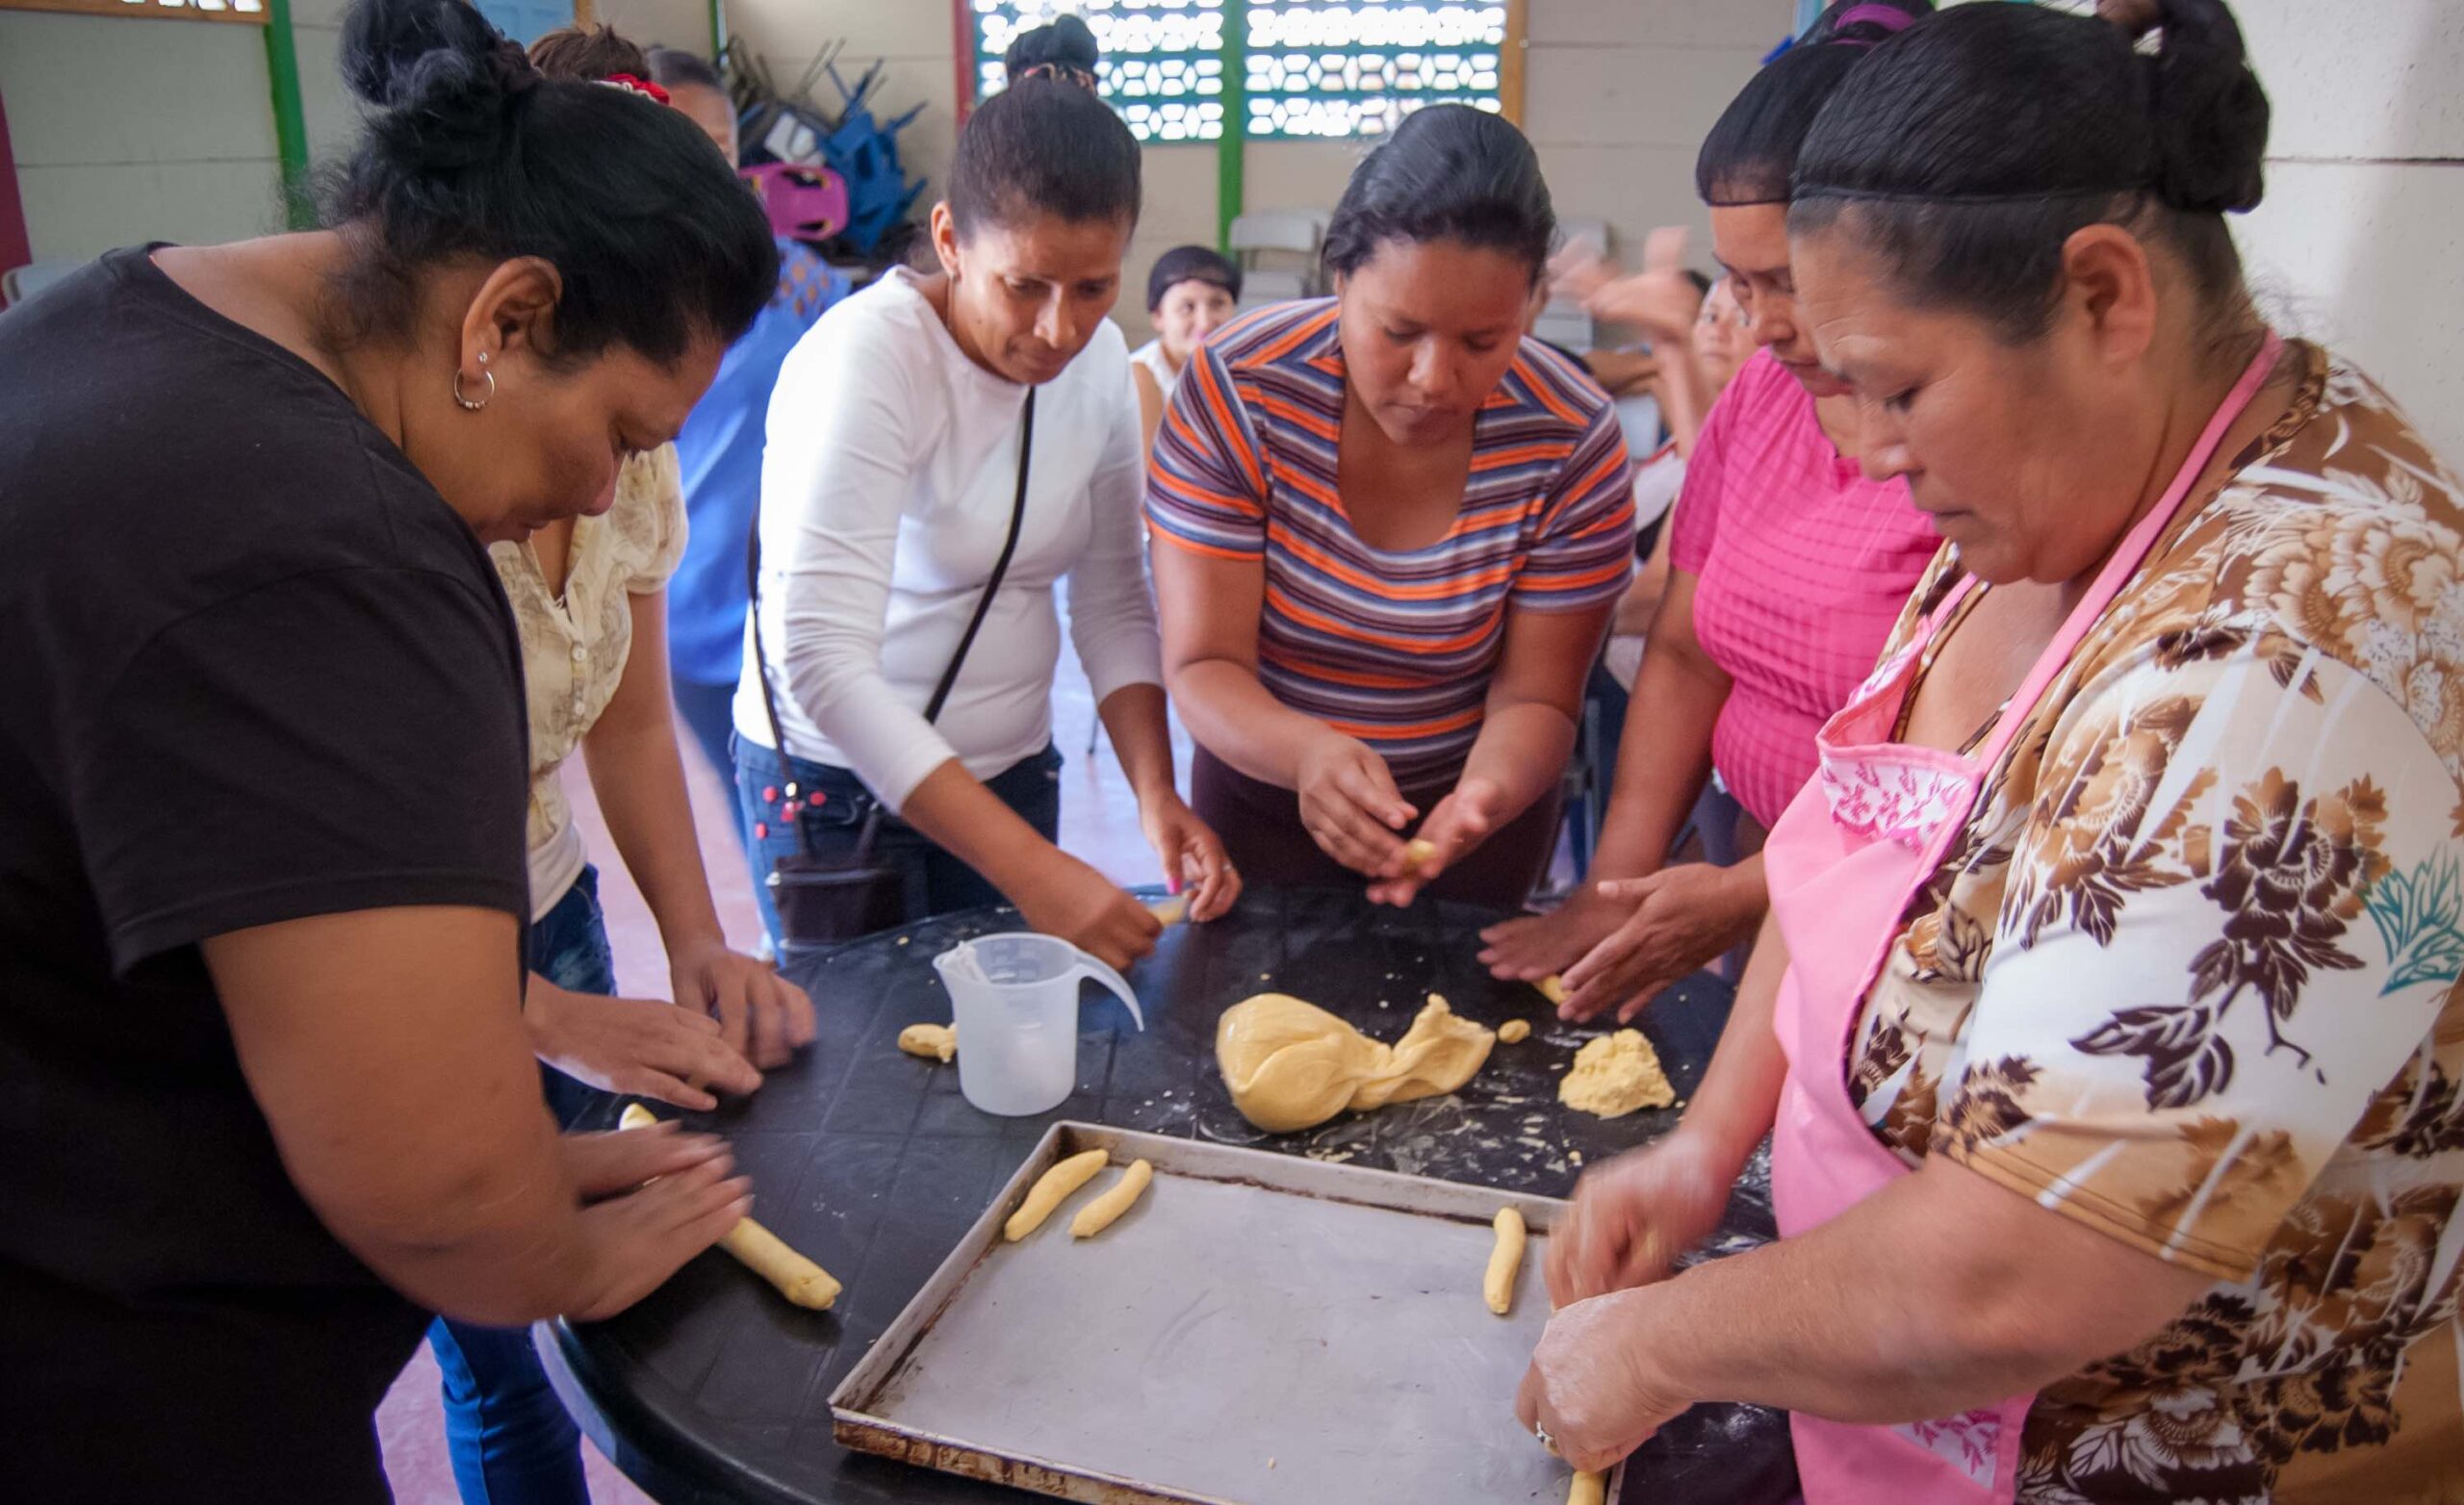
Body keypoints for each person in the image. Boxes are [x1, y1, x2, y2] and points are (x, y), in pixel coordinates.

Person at [1520, 4, 2464, 1500]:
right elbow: (1858, 848)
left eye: (1895, 388)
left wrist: (1658, 1347)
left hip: (2145, 1452)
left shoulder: (2282, 667)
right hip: (1887, 1400)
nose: (1876, 453)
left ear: (2102, 296)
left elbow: (2028, 1269)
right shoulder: (2079, 486)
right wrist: (1710, 1148)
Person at [0, 0, 779, 1496]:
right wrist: (540, 1237)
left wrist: (537, 1143)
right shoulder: (329, 549)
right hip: (111, 1362)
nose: (605, 486)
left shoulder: (130, 313)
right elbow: (429, 1179)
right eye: (616, 429)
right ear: (503, 320)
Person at [412, 30, 821, 1505]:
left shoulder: (623, 441)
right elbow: (337, 917)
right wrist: (547, 1021)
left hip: (543, 897)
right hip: (398, 951)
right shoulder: (391, 480)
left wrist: (693, 942)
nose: (613, 477)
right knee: (503, 1333)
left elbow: (632, 721)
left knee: (623, 1302)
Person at [733, 15, 1238, 968]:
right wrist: (1036, 871)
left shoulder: (1093, 369)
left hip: (1011, 773)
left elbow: (1111, 596)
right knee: (866, 1088)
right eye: (1025, 286)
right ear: (949, 241)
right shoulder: (866, 360)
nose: (1058, 328)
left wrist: (1153, 793)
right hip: (844, 800)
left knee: (1004, 1064)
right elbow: (822, 661)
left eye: (1094, 288)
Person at [1479, 0, 1941, 1018]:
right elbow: (1685, 649)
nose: (1762, 323)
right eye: (1736, 284)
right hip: (1748, 877)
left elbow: (1961, 780)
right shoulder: (1767, 394)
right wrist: (1616, 894)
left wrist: (1748, 896)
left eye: (1788, 280)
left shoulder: (1962, 444)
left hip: (1905, 921)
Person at [1149, 104, 1637, 911]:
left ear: (1533, 304)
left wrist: (1483, 797)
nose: (1432, 379)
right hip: (1263, 805)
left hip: (1468, 836)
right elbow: (1205, 666)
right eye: (1399, 331)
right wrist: (1305, 754)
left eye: (1483, 342)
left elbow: (1538, 700)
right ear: (1339, 280)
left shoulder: (1570, 437)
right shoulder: (1242, 387)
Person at [650, 44, 850, 793]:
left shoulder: (789, 276)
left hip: (799, 604)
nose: (707, 168)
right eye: (684, 143)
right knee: (758, 820)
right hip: (685, 613)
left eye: (723, 149)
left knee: (822, 827)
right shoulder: (605, 291)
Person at [1130, 243, 1242, 450]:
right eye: (1187, 307)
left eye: (1217, 304)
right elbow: (1148, 478)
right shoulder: (1141, 376)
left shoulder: (1235, 368)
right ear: (1158, 316)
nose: (1205, 322)